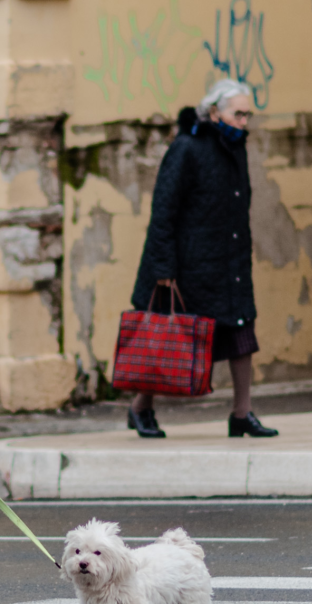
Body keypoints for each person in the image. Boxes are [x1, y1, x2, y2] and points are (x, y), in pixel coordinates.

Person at [127, 79, 278, 439]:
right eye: (237, 114)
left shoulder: (236, 148)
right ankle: (140, 407)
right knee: (169, 338)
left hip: (229, 263)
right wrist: (163, 268)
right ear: (214, 112)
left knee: (242, 333)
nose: (244, 121)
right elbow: (163, 209)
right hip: (187, 267)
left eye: (247, 115)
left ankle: (242, 413)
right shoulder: (187, 147)